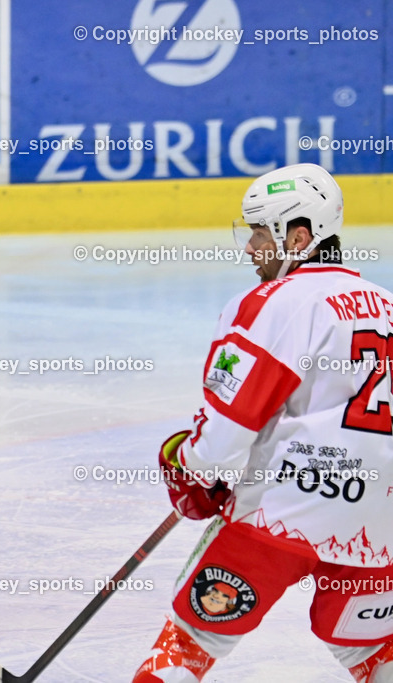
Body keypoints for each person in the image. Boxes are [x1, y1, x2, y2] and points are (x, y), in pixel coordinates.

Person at [135, 163, 393, 682]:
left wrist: (188, 464)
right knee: (376, 655)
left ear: (299, 237)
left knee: (189, 644)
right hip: (378, 527)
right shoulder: (387, 304)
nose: (251, 248)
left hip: (279, 514)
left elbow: (224, 436)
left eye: (259, 233)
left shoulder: (273, 303)